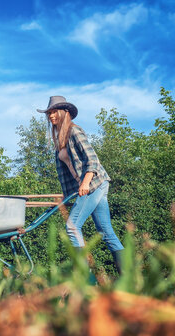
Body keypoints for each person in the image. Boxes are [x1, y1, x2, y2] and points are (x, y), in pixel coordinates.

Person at [37, 95, 123, 274]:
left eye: (54, 112)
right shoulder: (60, 140)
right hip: (87, 187)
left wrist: (85, 182)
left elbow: (92, 159)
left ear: (64, 112)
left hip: (94, 183)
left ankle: (86, 279)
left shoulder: (74, 131)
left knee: (72, 226)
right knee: (105, 232)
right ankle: (128, 276)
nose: (51, 116)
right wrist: (70, 194)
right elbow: (68, 172)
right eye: (49, 113)